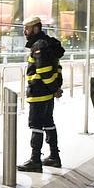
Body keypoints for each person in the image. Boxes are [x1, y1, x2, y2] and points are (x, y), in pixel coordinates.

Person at [17, 16, 65, 173]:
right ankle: (54, 157)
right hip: (47, 93)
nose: (25, 32)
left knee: (35, 125)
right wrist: (55, 88)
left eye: (28, 28)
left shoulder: (39, 46)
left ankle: (35, 159)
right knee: (48, 122)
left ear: (36, 28)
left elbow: (43, 71)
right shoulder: (48, 43)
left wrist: (53, 89)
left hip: (38, 92)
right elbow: (56, 67)